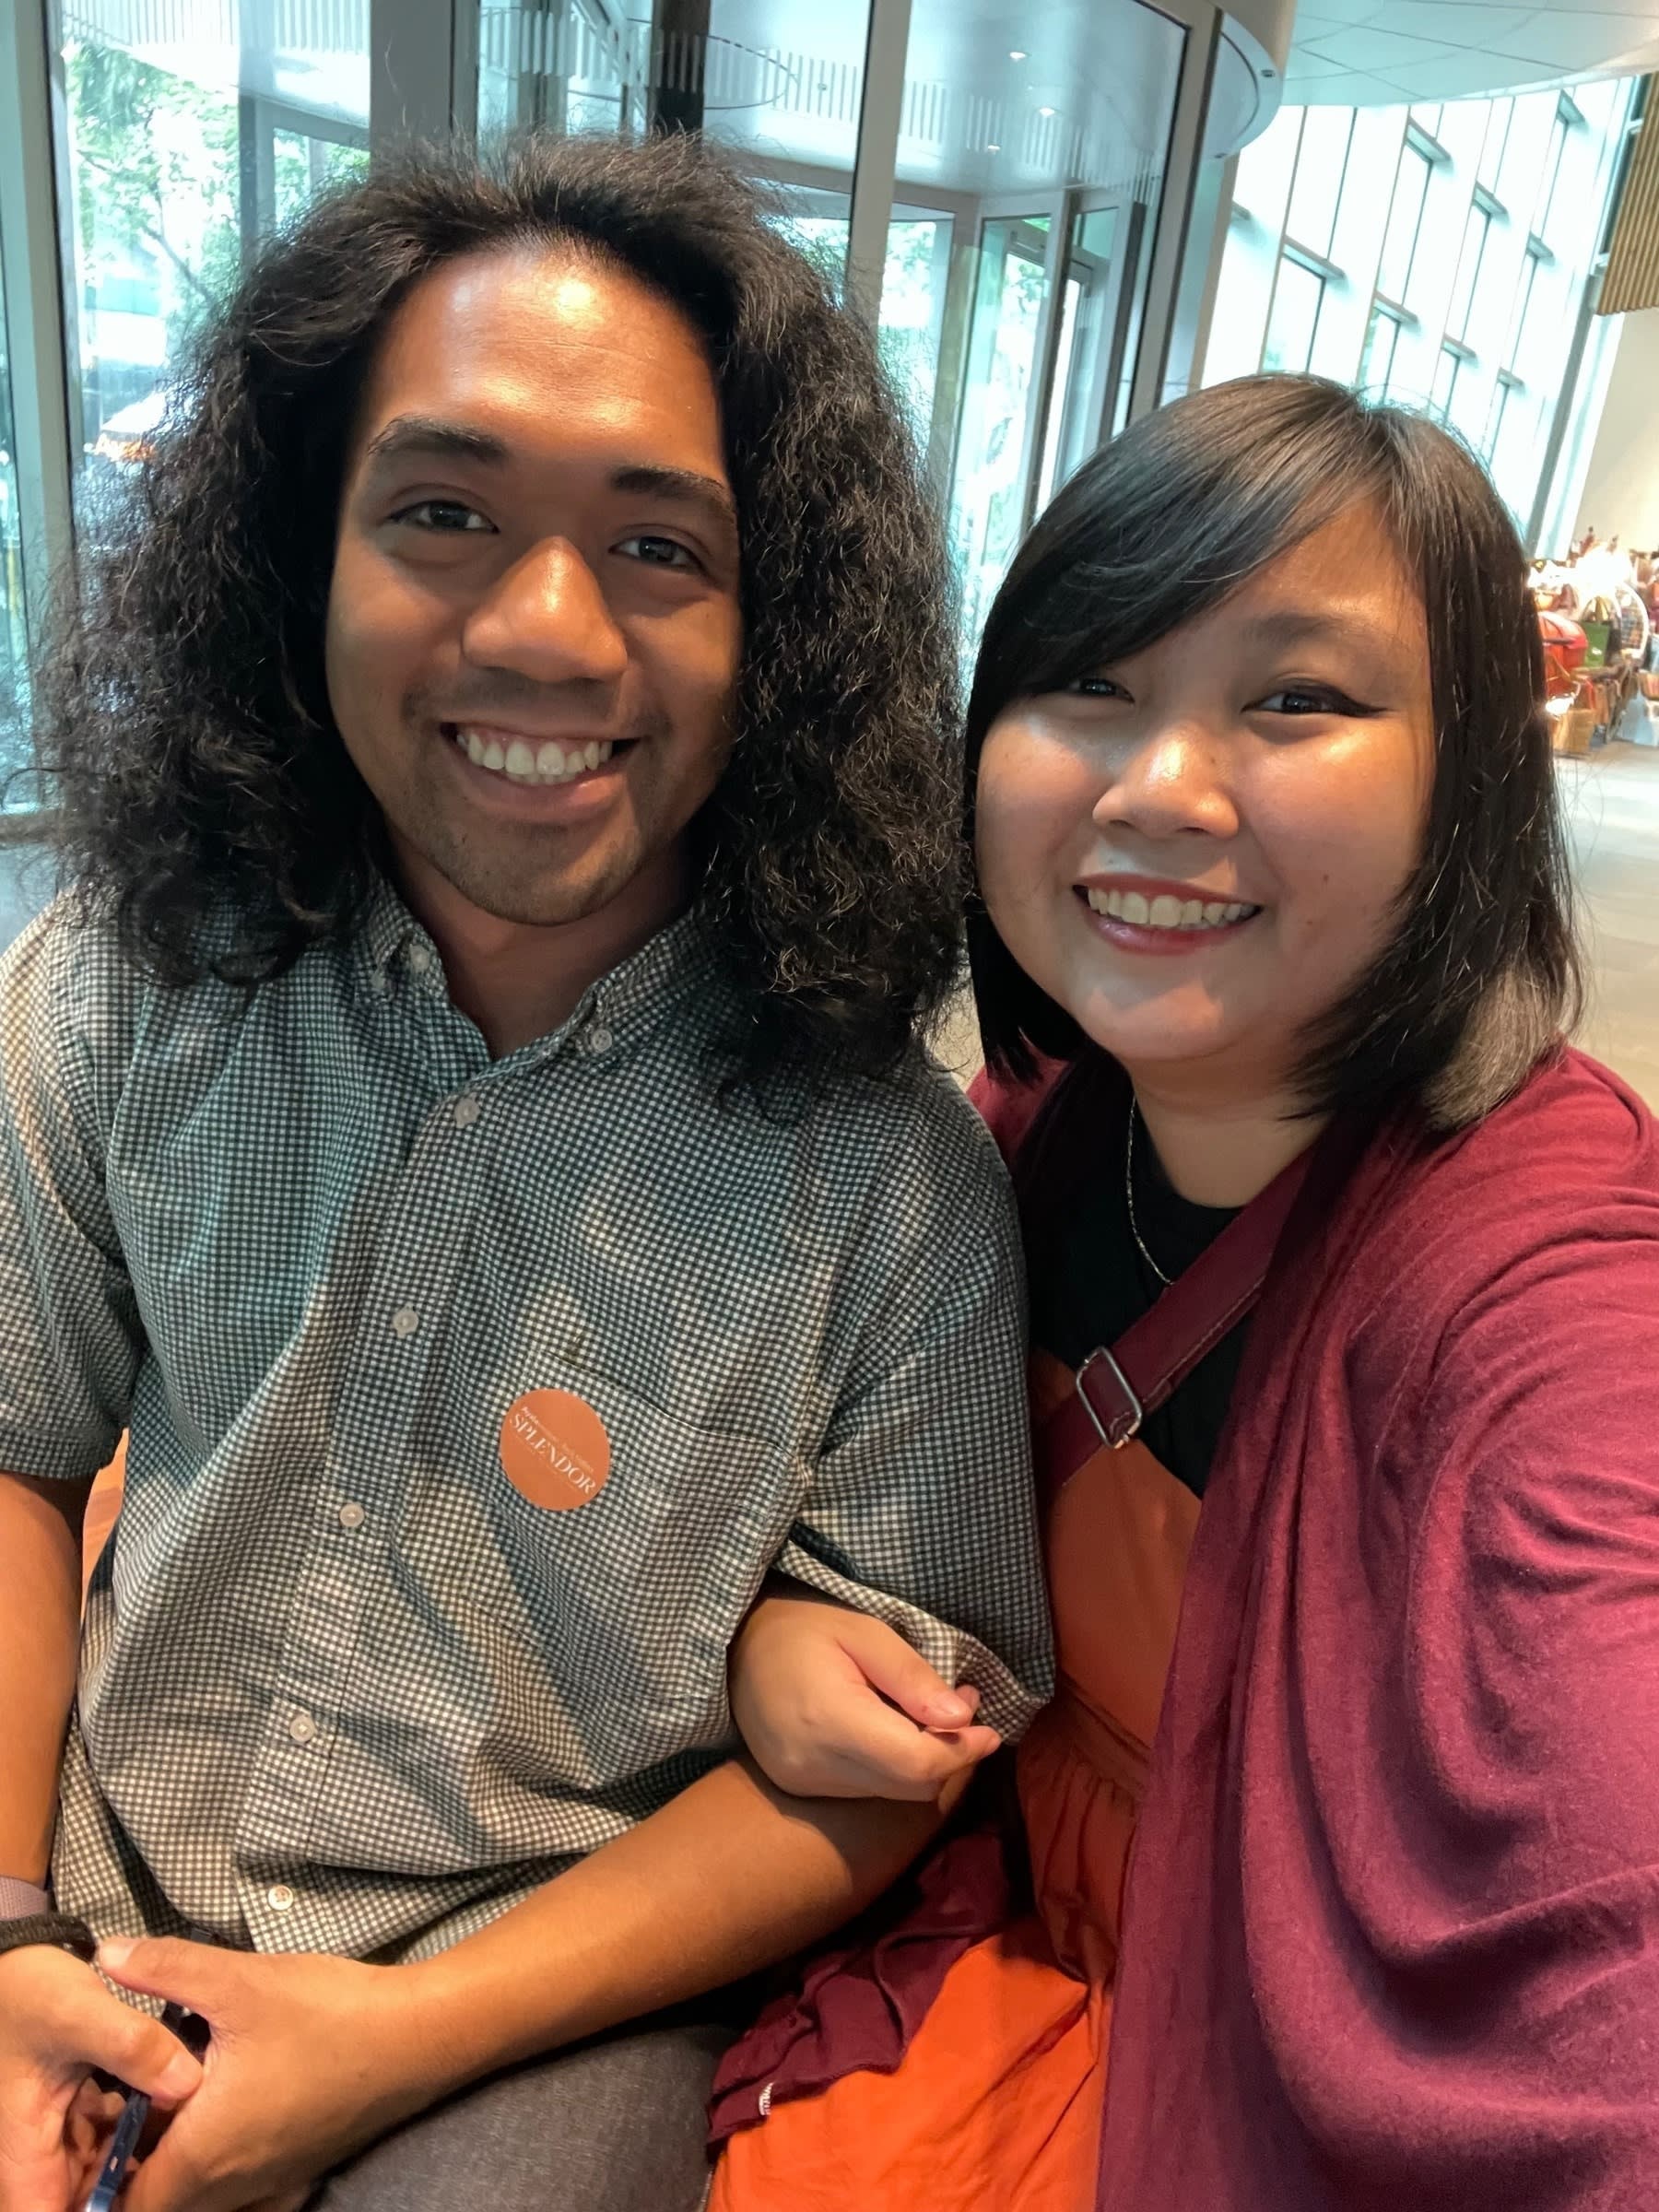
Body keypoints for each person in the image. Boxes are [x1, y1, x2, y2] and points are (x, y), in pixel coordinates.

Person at [0, 135, 1052, 2212]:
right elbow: (14, 1443)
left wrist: (392, 2042)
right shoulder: (134, 974)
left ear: (783, 631)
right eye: (446, 513)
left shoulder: (887, 1182)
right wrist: (8, 1928)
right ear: (308, 548)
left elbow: (875, 1769)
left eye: (662, 549)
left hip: (528, 1994)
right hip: (84, 1888)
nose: (549, 635)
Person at [713, 374, 1659, 2209]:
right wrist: (780, 1626)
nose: (1159, 790)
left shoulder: (1541, 1288)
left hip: (1235, 2066)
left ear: (1472, 764)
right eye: (1094, 686)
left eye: (1298, 699)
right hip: (986, 1942)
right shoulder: (1020, 1136)